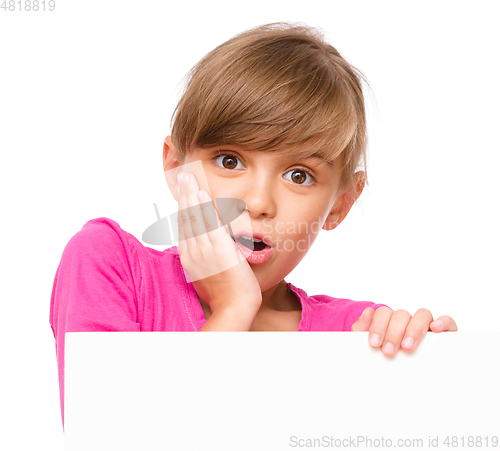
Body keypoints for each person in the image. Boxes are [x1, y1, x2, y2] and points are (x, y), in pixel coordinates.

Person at [50, 22, 456, 425]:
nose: (259, 202)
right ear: (176, 167)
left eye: (299, 175)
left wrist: (438, 378)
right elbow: (102, 432)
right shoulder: (111, 264)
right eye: (230, 161)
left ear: (340, 204)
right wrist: (232, 309)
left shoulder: (361, 332)